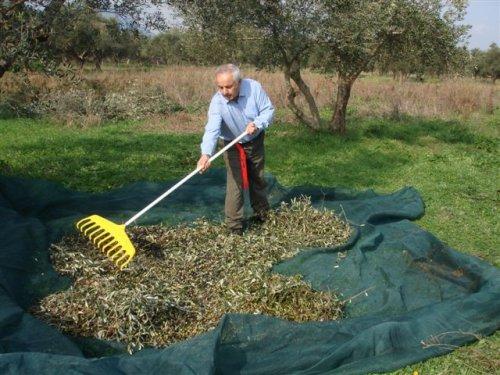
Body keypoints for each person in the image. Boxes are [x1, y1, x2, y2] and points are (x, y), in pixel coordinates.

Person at [197, 64, 275, 235]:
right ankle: (234, 227)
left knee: (258, 177)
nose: (224, 91)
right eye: (220, 87)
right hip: (232, 144)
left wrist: (257, 124)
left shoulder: (253, 87)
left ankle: (262, 214)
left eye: (228, 86)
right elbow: (212, 129)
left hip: (254, 139)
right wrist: (206, 154)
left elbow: (268, 110)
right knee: (235, 183)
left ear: (239, 82)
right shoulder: (217, 102)